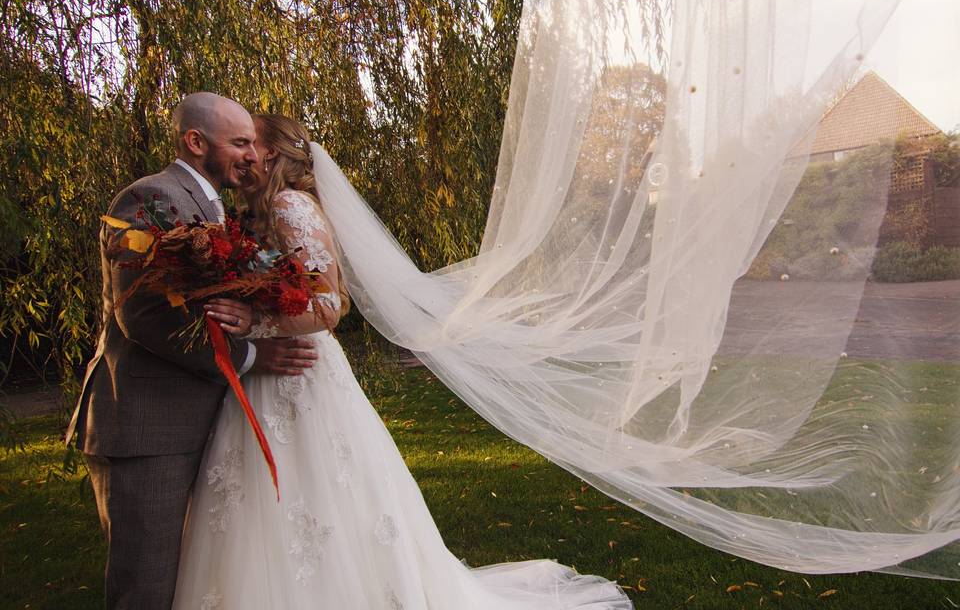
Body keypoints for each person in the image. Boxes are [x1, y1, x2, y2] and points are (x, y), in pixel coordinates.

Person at [173, 113, 632, 609]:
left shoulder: (290, 206)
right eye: (236, 144)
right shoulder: (267, 211)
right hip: (278, 371)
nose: (242, 156)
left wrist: (252, 316)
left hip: (296, 372)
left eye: (250, 144)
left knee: (307, 493)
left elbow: (328, 307)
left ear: (274, 153)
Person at [67, 94, 320, 610]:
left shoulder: (214, 207)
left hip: (193, 420)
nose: (254, 155)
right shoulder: (147, 200)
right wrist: (251, 356)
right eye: (241, 143)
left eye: (254, 142)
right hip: (147, 427)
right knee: (148, 587)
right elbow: (143, 316)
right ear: (196, 142)